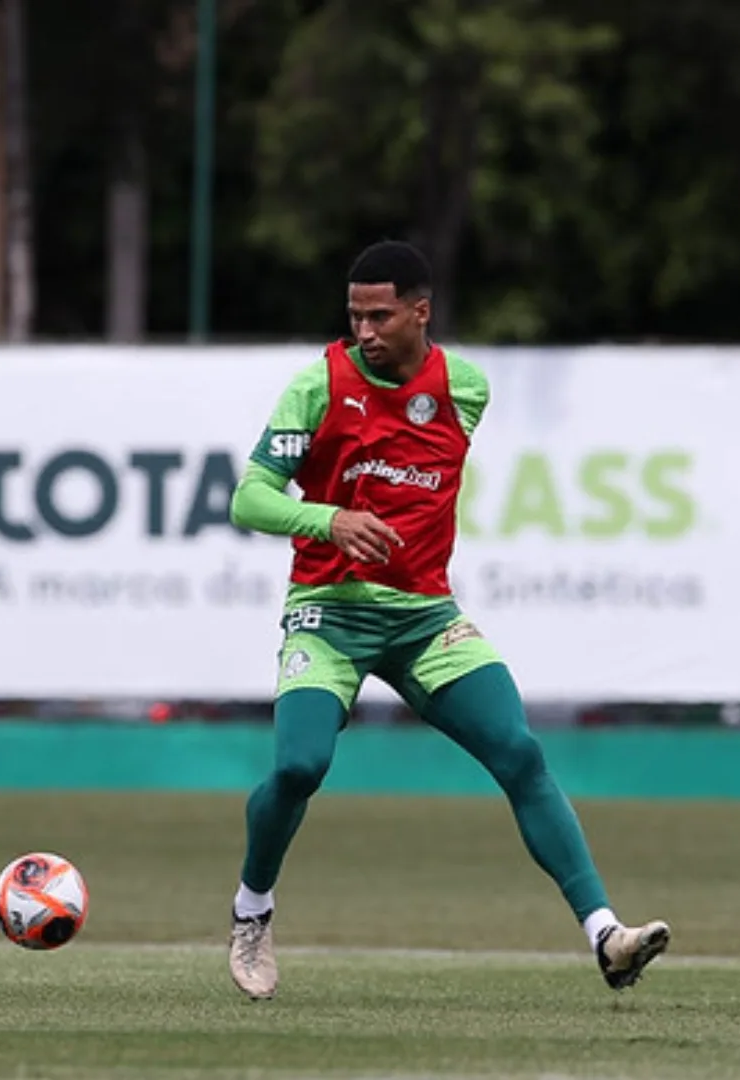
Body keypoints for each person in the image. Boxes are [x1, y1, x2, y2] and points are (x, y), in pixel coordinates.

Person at [223, 240, 671, 1000]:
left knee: (520, 753)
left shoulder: (464, 388)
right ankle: (251, 913)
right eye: (354, 315)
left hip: (426, 618)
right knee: (300, 767)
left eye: (380, 314)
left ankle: (606, 935)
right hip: (329, 613)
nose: (363, 331)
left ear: (421, 311)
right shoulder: (319, 386)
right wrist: (329, 519)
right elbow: (249, 497)